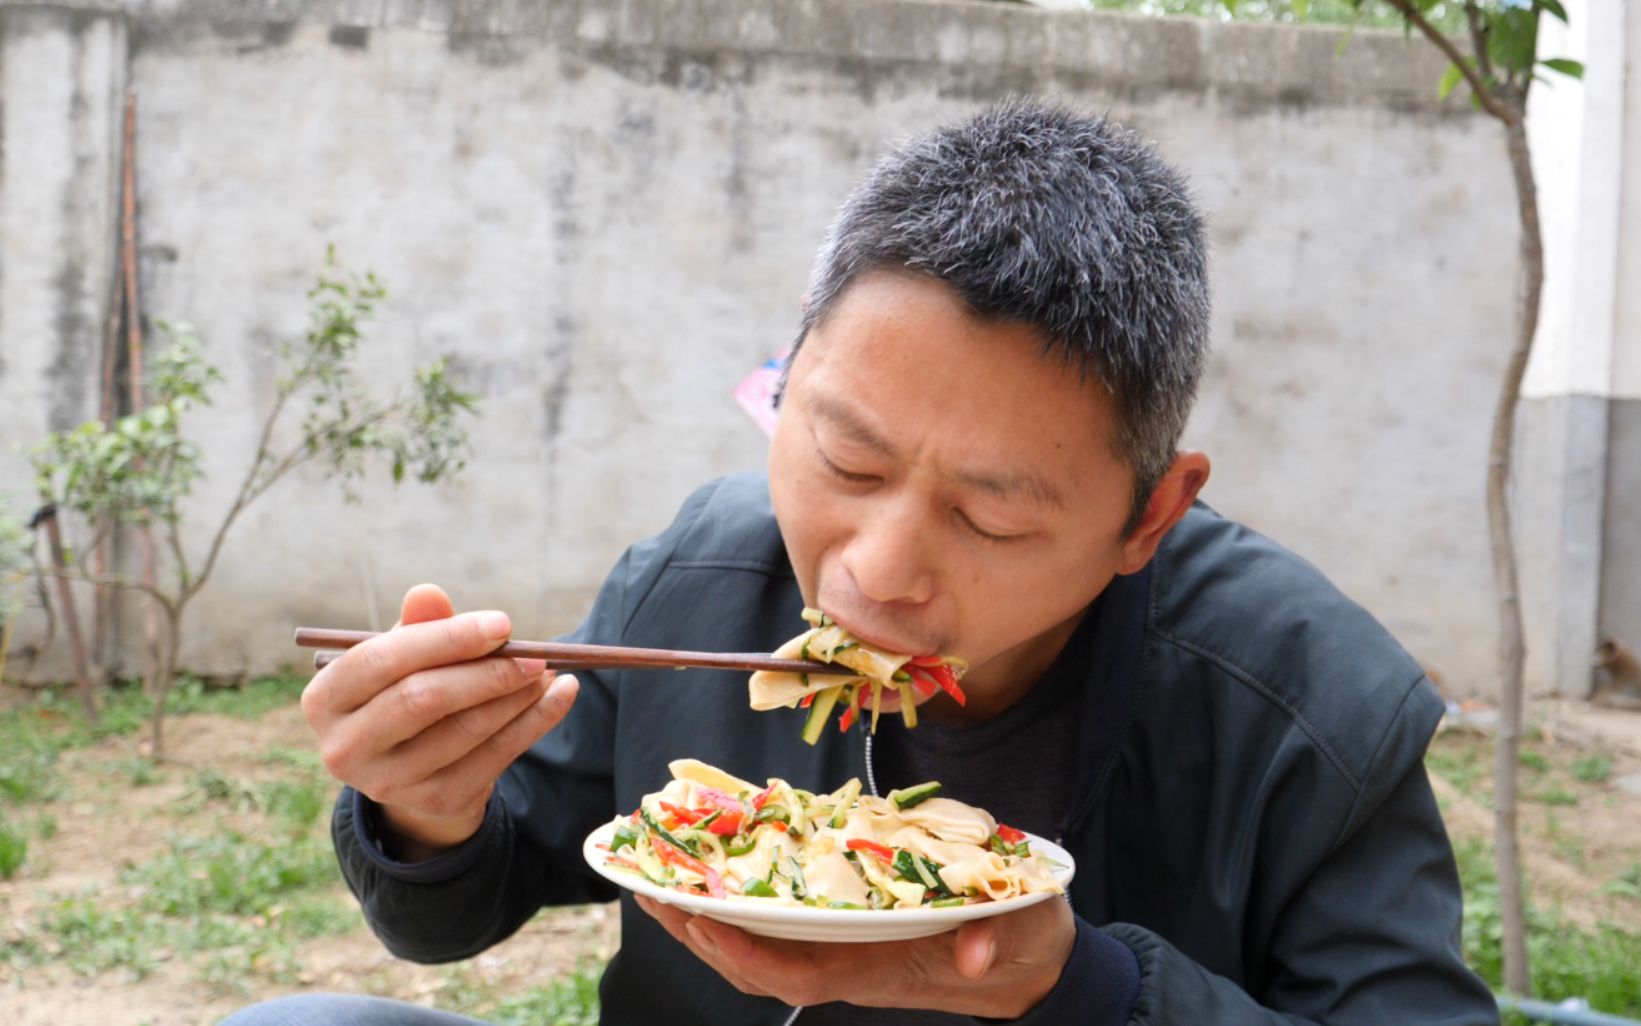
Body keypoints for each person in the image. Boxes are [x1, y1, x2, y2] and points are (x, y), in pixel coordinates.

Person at [224, 99, 1498, 1026]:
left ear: (1149, 518)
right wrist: (424, 811)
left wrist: (1086, 991)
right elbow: (460, 902)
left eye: (994, 519)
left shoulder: (1310, 711)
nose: (877, 574)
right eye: (843, 457)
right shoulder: (704, 575)